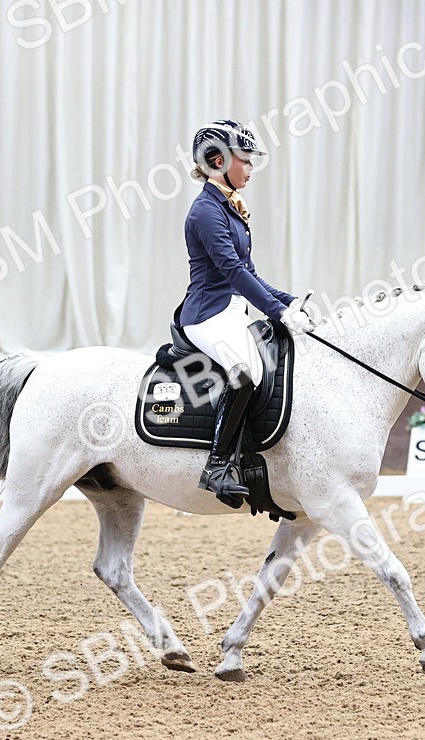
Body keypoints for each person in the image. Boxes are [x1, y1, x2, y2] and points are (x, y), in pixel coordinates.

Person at [179, 120, 315, 508]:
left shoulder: (229, 206)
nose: (251, 169)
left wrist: (287, 302)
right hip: (207, 314)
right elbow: (232, 273)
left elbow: (249, 273)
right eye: (246, 161)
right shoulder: (206, 211)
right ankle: (218, 465)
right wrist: (275, 310)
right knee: (245, 372)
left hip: (232, 309)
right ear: (217, 160)